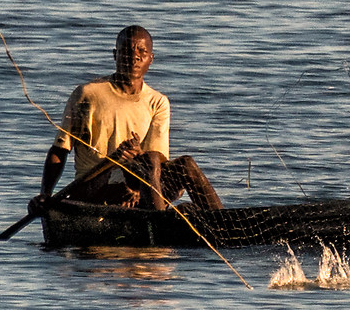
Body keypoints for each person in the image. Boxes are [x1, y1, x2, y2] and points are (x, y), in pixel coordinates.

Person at [30, 25, 222, 214]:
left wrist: (138, 160)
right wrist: (45, 194)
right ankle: (158, 220)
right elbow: (60, 150)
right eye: (127, 51)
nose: (135, 57)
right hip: (93, 187)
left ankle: (222, 220)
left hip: (139, 186)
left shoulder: (158, 102)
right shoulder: (88, 94)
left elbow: (158, 160)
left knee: (184, 165)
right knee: (146, 164)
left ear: (150, 59)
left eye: (142, 52)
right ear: (115, 55)